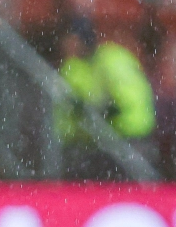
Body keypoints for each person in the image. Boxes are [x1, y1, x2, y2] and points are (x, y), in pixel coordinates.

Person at [55, 17, 157, 180]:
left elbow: (126, 102)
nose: (66, 46)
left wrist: (100, 110)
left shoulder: (111, 60)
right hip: (103, 139)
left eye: (71, 40)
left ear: (83, 40)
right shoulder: (74, 67)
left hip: (130, 135)